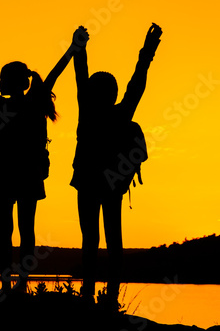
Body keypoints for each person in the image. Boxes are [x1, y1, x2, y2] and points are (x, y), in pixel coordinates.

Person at [0, 26, 89, 301]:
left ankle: (12, 287)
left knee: (10, 232)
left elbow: (53, 72)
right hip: (23, 173)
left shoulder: (15, 103)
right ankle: (14, 286)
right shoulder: (23, 102)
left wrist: (73, 48)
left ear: (14, 82)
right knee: (20, 230)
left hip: (10, 173)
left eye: (3, 79)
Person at [71, 23, 163, 309]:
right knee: (113, 239)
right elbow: (137, 82)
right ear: (113, 93)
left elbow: (80, 74)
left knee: (91, 239)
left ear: (92, 92)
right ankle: (109, 297)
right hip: (110, 182)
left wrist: (80, 47)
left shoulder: (87, 110)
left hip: (88, 180)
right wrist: (147, 53)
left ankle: (89, 294)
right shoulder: (121, 113)